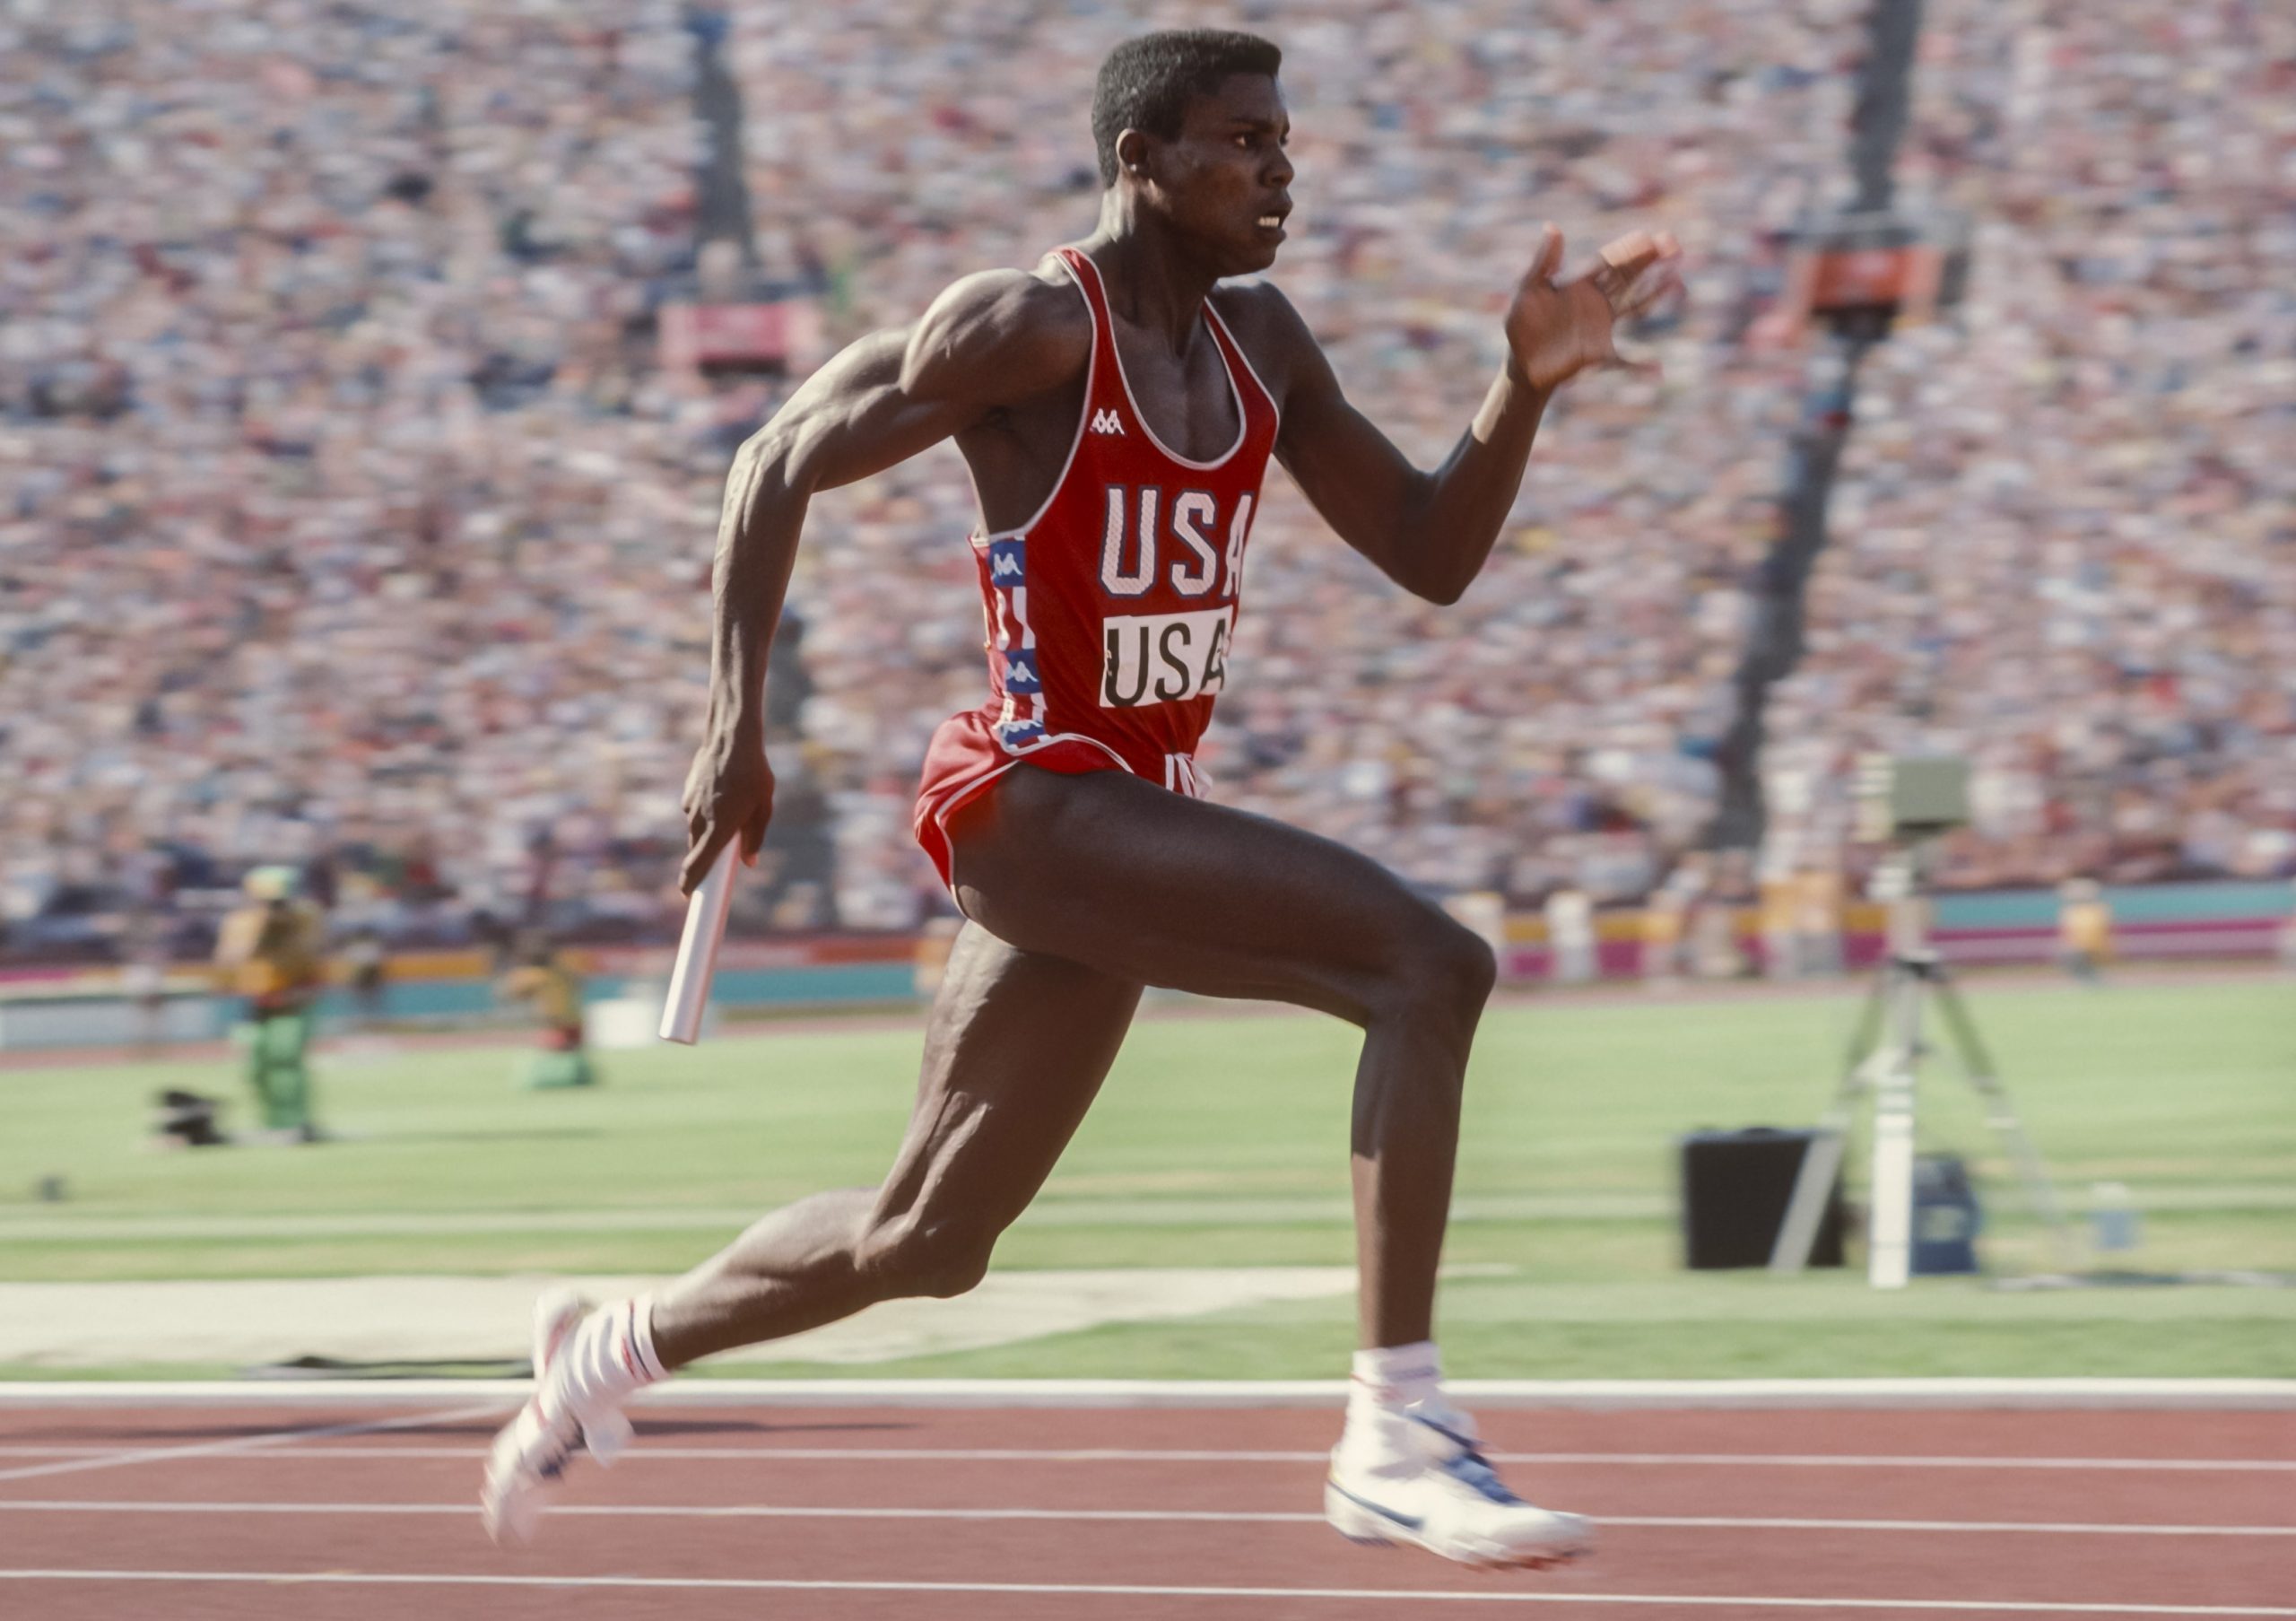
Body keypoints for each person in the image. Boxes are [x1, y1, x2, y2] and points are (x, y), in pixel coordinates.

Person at [483, 29, 1680, 1568]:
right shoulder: (1030, 329)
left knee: (929, 1238)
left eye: (1286, 138)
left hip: (1129, 811)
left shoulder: (1265, 343)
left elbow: (1433, 553)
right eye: (1244, 140)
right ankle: (1395, 1431)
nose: (1280, 169)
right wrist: (738, 722)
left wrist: (1520, 386)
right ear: (1143, 161)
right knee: (1426, 962)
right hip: (1039, 801)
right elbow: (773, 456)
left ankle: (609, 1345)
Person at [209, 867, 327, 1142]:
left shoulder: (305, 918)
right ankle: (271, 1122)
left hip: (292, 997)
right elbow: (228, 961)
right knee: (254, 1065)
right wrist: (258, 934)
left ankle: (296, 1122)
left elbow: (311, 952)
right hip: (254, 1001)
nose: (275, 908)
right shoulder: (241, 923)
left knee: (286, 1058)